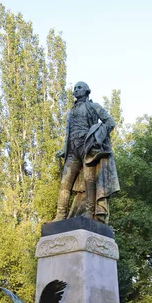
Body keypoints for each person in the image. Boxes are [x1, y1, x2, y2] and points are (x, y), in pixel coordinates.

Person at [53, 81, 120, 224]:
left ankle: (90, 213)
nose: (76, 90)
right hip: (72, 151)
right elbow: (68, 134)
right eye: (75, 88)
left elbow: (110, 122)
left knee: (89, 181)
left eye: (79, 88)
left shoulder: (93, 106)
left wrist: (98, 138)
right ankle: (60, 216)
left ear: (87, 91)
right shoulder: (70, 112)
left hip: (87, 148)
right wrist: (64, 150)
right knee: (65, 184)